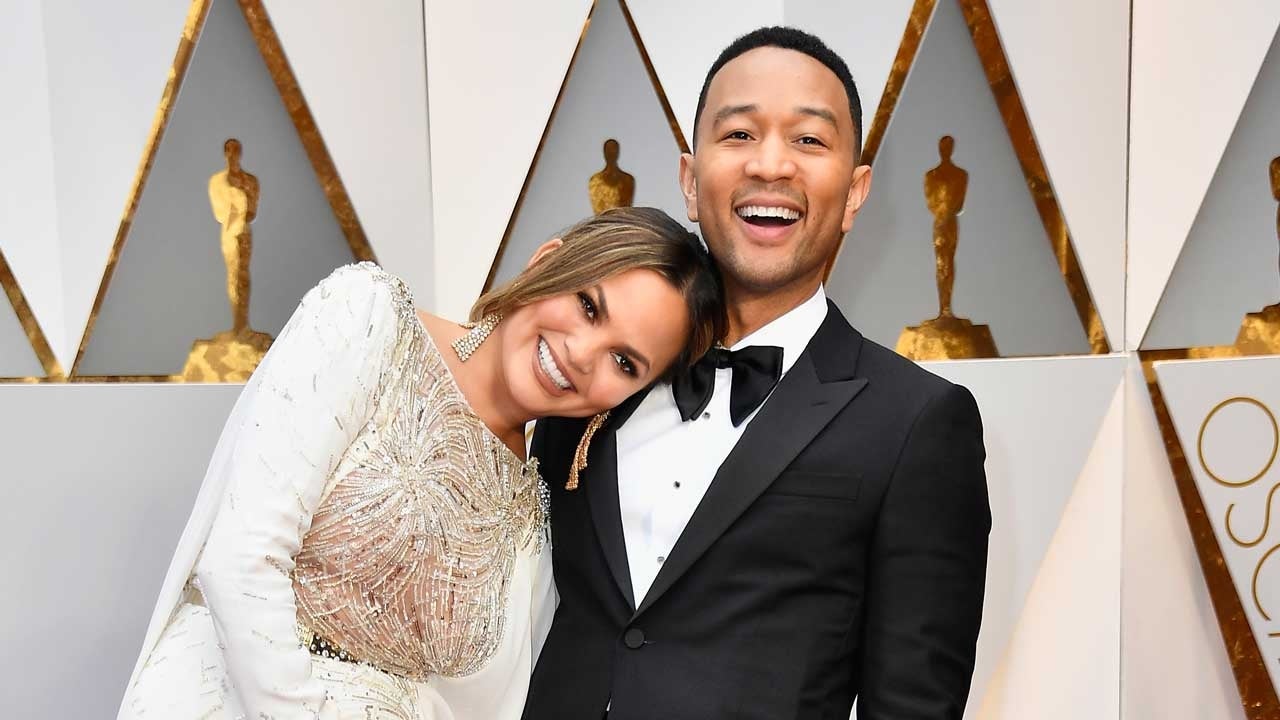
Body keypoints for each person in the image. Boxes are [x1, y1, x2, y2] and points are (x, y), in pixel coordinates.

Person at [523, 27, 990, 720]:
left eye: (808, 140)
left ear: (857, 192)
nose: (770, 164)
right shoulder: (595, 372)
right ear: (688, 178)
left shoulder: (918, 423)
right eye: (739, 134)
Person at [118, 206, 725, 720]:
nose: (582, 353)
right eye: (589, 306)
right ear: (546, 263)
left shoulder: (533, 507)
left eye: (626, 363)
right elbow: (239, 559)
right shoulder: (368, 318)